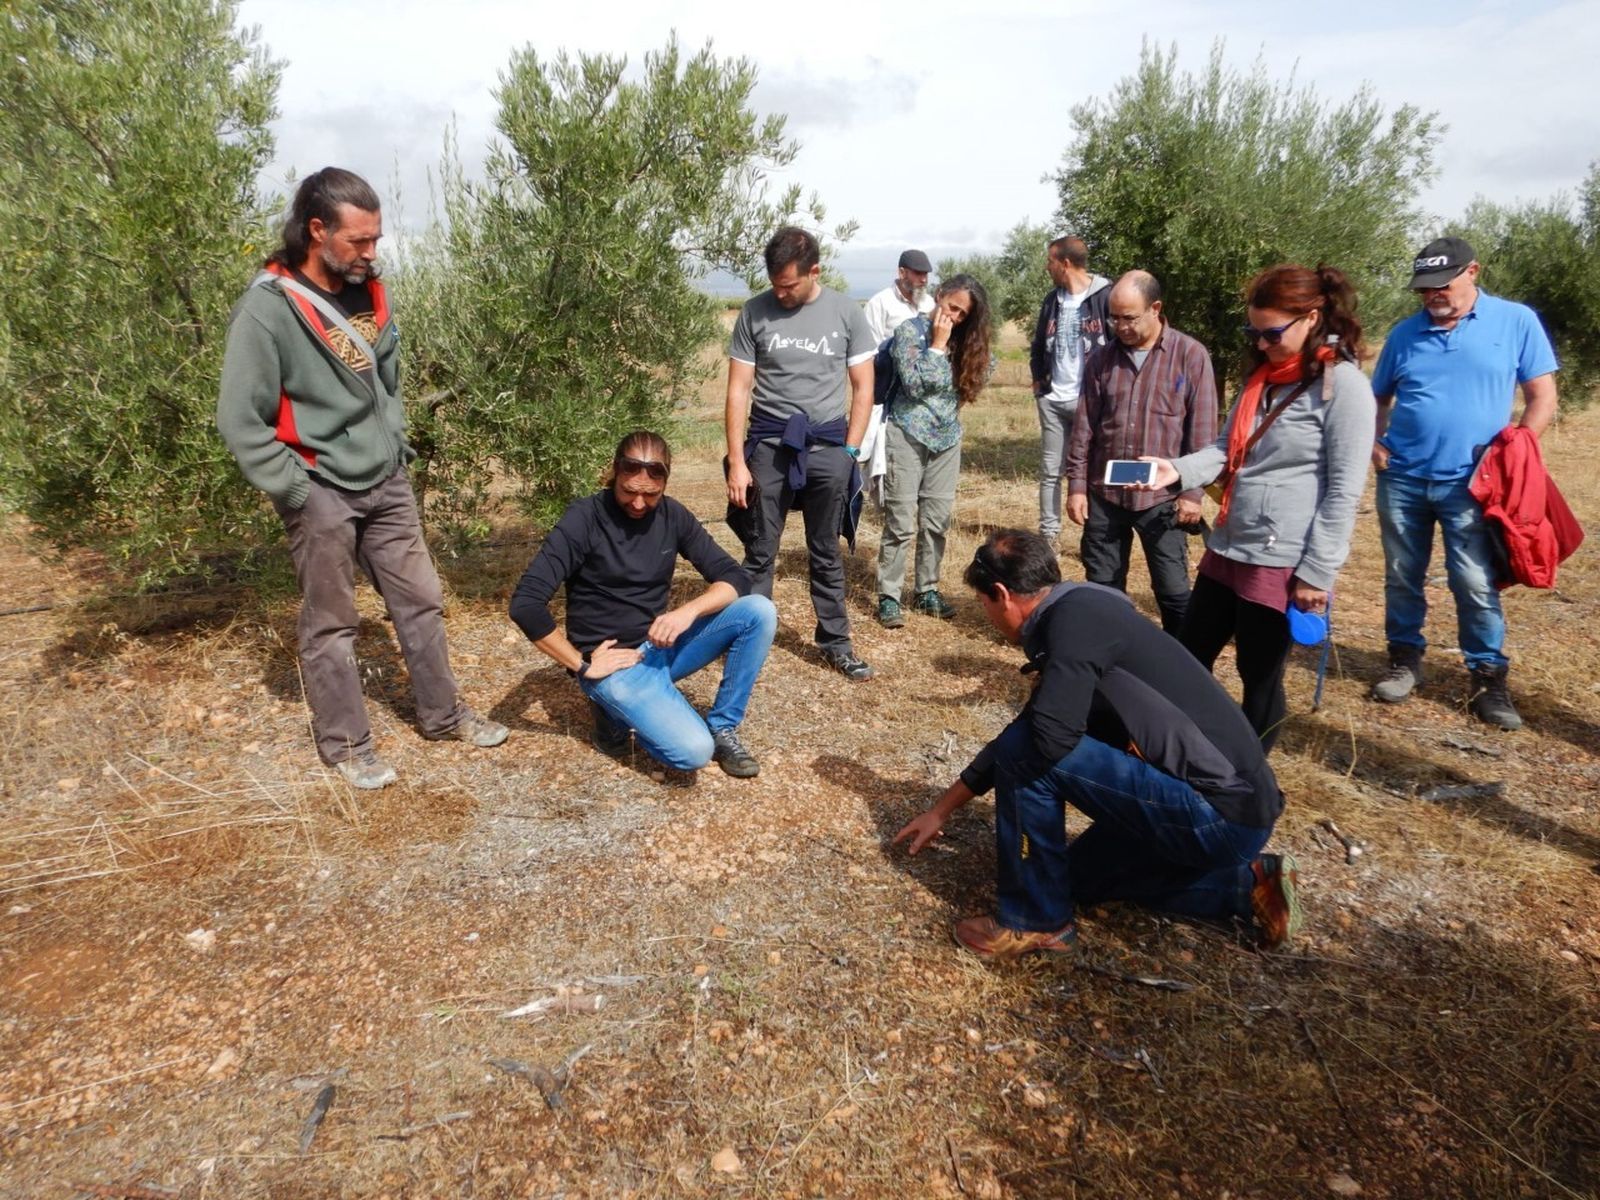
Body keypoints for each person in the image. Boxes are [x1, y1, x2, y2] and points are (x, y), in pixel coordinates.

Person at [217, 167, 507, 790]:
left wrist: (394, 440)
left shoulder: (370, 290)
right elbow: (240, 419)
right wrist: (296, 488)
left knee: (422, 600)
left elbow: (389, 376)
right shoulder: (269, 309)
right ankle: (347, 746)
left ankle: (442, 713)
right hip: (320, 488)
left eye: (377, 240)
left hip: (387, 481)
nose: (371, 254)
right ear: (317, 230)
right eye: (359, 241)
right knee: (331, 623)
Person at [893, 529, 1300, 961]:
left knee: (1028, 753)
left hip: (1219, 816)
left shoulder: (1073, 625)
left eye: (984, 604)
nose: (988, 616)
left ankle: (1034, 922)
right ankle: (1250, 883)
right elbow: (1036, 724)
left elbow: (1037, 740)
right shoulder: (1088, 609)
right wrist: (941, 809)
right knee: (1069, 880)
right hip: (1235, 815)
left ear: (1001, 593)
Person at [1138, 264, 1376, 751]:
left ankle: (1250, 777)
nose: (1261, 344)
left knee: (1258, 674)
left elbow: (1344, 492)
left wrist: (1317, 573)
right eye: (1253, 332)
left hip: (1280, 559)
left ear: (1311, 318)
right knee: (1190, 652)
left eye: (1271, 333)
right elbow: (1224, 449)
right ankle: (1179, 748)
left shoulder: (1345, 388)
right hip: (1229, 545)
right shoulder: (1262, 380)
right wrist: (1175, 470)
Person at [1368, 237, 1559, 730]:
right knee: (1401, 575)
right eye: (1424, 289)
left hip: (1473, 484)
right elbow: (1378, 398)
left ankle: (1488, 678)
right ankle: (1404, 662)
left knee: (1473, 580)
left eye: (1442, 285)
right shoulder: (1404, 334)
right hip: (1404, 479)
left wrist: (1516, 449)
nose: (1433, 295)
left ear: (1472, 271)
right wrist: (1375, 442)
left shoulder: (1515, 322)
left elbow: (1542, 396)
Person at [508, 432, 777, 777]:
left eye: (650, 495)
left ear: (665, 482)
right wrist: (582, 665)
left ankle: (722, 726)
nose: (638, 503)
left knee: (759, 611)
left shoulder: (673, 515)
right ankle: (612, 720)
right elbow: (526, 604)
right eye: (628, 492)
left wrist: (687, 612)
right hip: (613, 664)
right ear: (614, 474)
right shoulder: (584, 519)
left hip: (661, 647)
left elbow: (733, 577)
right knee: (695, 753)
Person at [725, 226, 877, 680]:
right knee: (759, 548)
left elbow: (863, 385)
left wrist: (851, 449)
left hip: (829, 446)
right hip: (769, 445)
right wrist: (736, 459)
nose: (780, 293)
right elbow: (737, 389)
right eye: (775, 283)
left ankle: (836, 642)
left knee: (825, 549)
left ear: (815, 271)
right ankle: (748, 641)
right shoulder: (754, 313)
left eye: (789, 284)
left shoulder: (847, 312)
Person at [1063, 271, 1217, 634]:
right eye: (1113, 318)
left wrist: (1192, 495)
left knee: (1173, 590)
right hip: (1104, 495)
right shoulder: (1101, 359)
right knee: (1103, 587)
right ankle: (1109, 658)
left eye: (1129, 317)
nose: (1120, 326)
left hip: (1163, 498)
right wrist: (1077, 486)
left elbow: (1203, 432)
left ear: (1156, 309)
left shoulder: (1190, 356)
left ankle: (1183, 662)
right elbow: (1085, 426)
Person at [874, 275, 995, 628]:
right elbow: (913, 386)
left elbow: (979, 375)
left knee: (937, 520)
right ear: (938, 295)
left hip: (947, 439)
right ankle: (889, 595)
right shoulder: (910, 332)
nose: (953, 317)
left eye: (962, 314)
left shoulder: (968, 340)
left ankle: (926, 589)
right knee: (900, 520)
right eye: (951, 306)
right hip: (907, 433)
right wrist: (939, 347)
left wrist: (947, 361)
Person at [1029, 236, 1111, 540]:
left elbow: (1117, 348)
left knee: (1092, 470)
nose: (1046, 267)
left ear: (1065, 263)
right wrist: (1040, 384)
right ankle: (1048, 538)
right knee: (1050, 472)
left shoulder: (1104, 297)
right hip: (1053, 400)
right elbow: (1038, 345)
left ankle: (1095, 533)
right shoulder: (1052, 301)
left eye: (1050, 261)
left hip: (1089, 403)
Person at [862, 249, 936, 343]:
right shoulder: (879, 304)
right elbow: (871, 348)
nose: (924, 280)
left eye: (925, 274)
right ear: (902, 273)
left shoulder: (930, 303)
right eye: (918, 273)